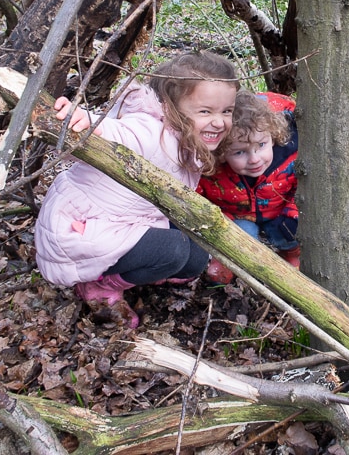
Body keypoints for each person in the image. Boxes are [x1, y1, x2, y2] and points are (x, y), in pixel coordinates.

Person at [34, 51, 239, 327]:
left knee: (196, 257)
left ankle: (144, 269)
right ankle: (99, 285)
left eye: (226, 111)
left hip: (126, 222)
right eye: (205, 111)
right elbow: (116, 134)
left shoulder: (191, 142)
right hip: (82, 228)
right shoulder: (150, 131)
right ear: (172, 107)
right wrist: (85, 122)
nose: (219, 121)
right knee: (174, 251)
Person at [196, 90, 299, 284]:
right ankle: (230, 259)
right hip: (239, 217)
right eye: (239, 152)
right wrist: (221, 220)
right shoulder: (212, 172)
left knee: (291, 226)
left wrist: (292, 210)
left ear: (273, 135)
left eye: (261, 145)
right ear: (221, 152)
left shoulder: (289, 159)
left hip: (279, 212)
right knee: (238, 236)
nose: (254, 159)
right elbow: (199, 200)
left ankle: (291, 253)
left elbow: (301, 191)